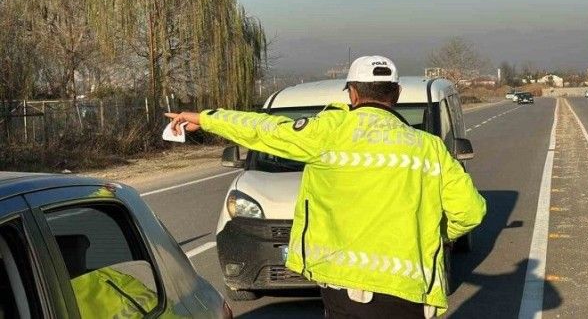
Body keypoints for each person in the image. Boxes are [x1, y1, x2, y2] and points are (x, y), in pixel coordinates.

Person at [165, 55, 486, 318]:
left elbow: (266, 130)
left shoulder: (329, 132)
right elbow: (469, 211)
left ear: (352, 94)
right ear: (397, 94)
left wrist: (207, 119)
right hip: (407, 291)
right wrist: (437, 235)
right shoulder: (429, 148)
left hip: (343, 288)